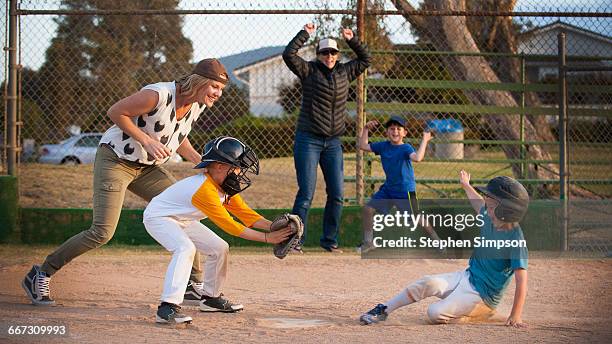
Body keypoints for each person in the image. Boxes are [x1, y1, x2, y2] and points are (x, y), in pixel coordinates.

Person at [22, 58, 230, 306]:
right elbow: (115, 111)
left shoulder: (197, 104)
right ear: (200, 82)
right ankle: (41, 273)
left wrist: (200, 161)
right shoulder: (158, 94)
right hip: (116, 160)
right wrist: (146, 140)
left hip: (148, 168)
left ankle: (191, 285)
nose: (218, 94)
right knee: (102, 232)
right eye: (214, 87)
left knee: (181, 211)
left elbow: (178, 135)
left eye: (221, 89)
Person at [144, 136, 293, 324]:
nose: (239, 173)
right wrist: (268, 238)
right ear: (220, 166)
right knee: (185, 249)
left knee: (219, 247)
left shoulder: (223, 187)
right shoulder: (203, 190)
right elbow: (231, 226)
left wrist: (275, 227)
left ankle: (211, 299)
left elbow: (246, 214)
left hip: (182, 219)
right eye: (236, 167)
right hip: (159, 218)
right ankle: (167, 307)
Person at [359, 172, 529, 327]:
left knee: (434, 313)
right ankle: (384, 310)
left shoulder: (515, 240)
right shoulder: (490, 218)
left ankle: (483, 313)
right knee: (427, 282)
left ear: (507, 211)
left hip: (482, 297)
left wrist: (516, 315)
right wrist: (466, 185)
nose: (487, 208)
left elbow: (522, 281)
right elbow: (478, 204)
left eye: (491, 206)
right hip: (467, 276)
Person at [282, 23, 371, 253]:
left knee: (338, 195)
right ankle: (295, 241)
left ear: (337, 55)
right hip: (308, 140)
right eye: (324, 52)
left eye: (332, 52)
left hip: (333, 142)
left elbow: (365, 59)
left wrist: (353, 40)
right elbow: (288, 54)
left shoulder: (345, 71)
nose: (329, 56)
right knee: (306, 194)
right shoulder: (308, 70)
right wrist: (304, 34)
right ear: (318, 55)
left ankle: (329, 241)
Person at [357, 116, 435, 252]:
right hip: (389, 189)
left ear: (405, 133)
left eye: (399, 129)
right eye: (392, 129)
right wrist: (365, 129)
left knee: (417, 218)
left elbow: (418, 158)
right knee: (368, 209)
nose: (395, 132)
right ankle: (368, 242)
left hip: (405, 191)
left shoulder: (405, 148)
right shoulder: (383, 146)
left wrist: (425, 140)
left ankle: (437, 242)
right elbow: (362, 146)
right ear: (387, 132)